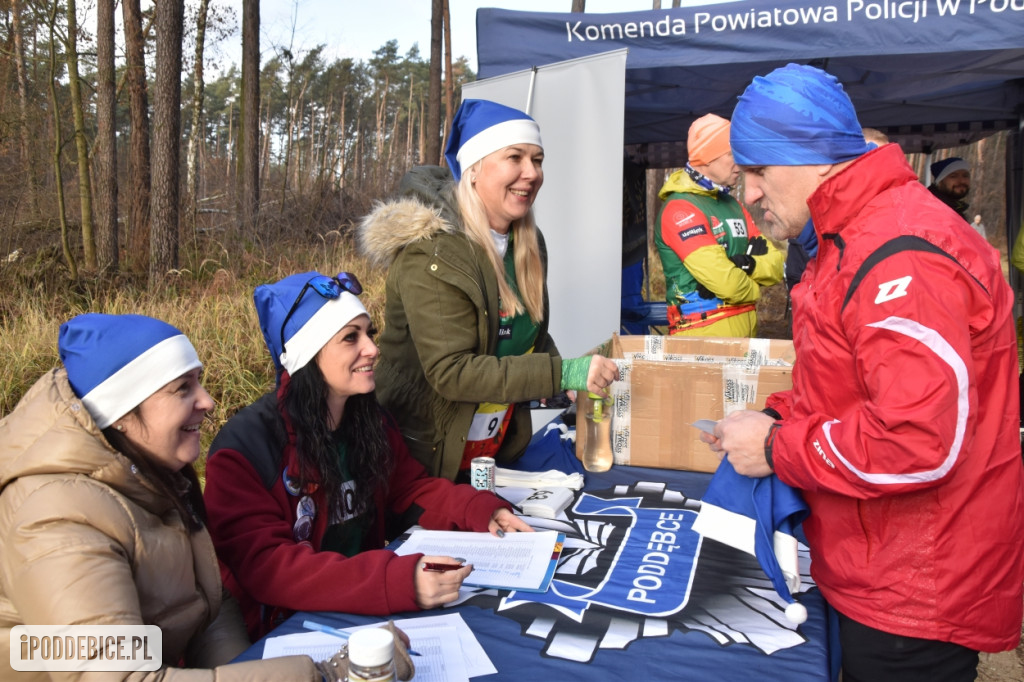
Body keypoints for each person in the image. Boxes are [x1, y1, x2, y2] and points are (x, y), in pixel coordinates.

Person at [704, 64, 1024, 682]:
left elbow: (916, 442)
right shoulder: (852, 236)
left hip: (915, 588)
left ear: (816, 158)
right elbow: (844, 380)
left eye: (757, 170)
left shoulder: (897, 251)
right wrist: (778, 414)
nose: (747, 193)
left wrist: (776, 446)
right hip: (879, 563)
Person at [203, 271, 531, 638]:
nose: (373, 349)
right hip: (282, 635)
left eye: (369, 334)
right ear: (307, 354)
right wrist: (395, 581)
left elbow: (409, 489)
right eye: (350, 338)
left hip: (365, 614)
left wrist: (480, 509)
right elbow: (270, 568)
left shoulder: (367, 419)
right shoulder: (244, 450)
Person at [0, 314, 319, 680]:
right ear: (119, 411)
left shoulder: (152, 476)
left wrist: (239, 669)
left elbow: (206, 608)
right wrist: (303, 675)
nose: (209, 401)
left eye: (199, 382)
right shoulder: (56, 521)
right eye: (183, 388)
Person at [357, 99, 620, 481]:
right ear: (475, 169)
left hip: (490, 452)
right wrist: (562, 373)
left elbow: (525, 335)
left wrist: (572, 382)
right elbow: (453, 372)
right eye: (515, 157)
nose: (531, 173)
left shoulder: (527, 243)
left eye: (538, 160)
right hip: (425, 458)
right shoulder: (433, 251)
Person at [653, 113, 784, 336]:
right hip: (701, 344)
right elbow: (728, 285)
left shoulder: (732, 204)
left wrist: (747, 265)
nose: (740, 163)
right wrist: (756, 287)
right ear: (708, 156)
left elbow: (776, 265)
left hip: (744, 337)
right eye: (732, 154)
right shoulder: (680, 209)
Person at [927, 156, 971, 221]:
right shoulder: (931, 209)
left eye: (965, 176)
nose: (962, 181)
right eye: (953, 176)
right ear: (940, 182)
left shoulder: (954, 207)